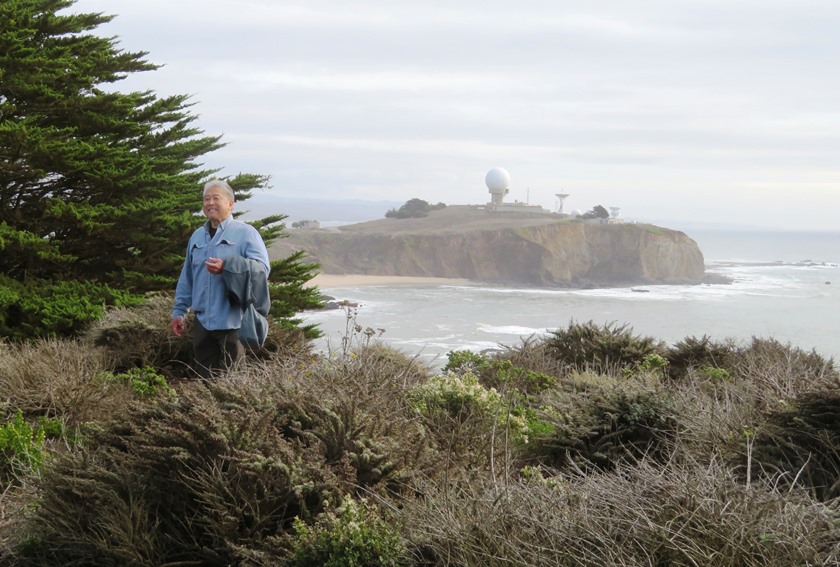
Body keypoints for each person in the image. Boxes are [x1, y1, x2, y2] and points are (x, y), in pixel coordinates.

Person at [171, 179, 271, 379]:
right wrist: (179, 311)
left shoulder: (246, 233)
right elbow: (187, 276)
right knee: (205, 382)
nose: (210, 203)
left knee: (234, 383)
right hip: (202, 323)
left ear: (230, 204)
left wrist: (228, 266)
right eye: (206, 199)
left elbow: (262, 270)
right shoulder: (197, 236)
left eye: (216, 198)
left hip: (233, 323)